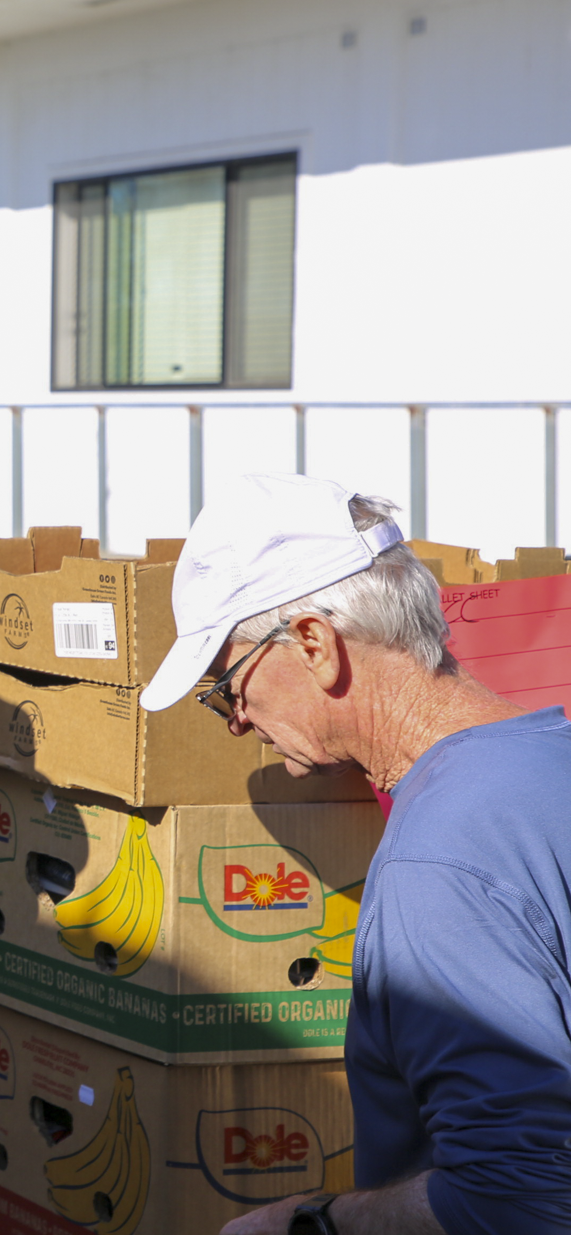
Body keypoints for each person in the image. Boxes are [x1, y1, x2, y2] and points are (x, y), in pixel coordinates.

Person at [136, 473, 571, 1235]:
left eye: (228, 684)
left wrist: (311, 1222)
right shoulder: (547, 758)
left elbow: (521, 1199)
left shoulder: (437, 862)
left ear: (315, 643)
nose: (236, 719)